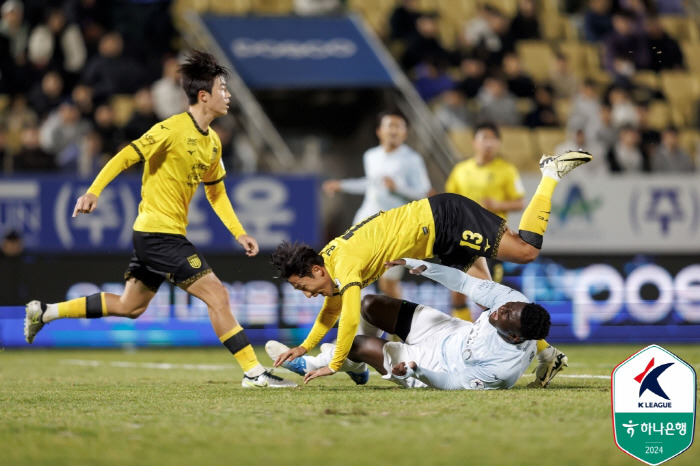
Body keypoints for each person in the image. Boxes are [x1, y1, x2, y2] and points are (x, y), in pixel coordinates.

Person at [24, 50, 295, 389]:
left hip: (159, 235)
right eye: (223, 88)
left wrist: (239, 233)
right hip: (158, 234)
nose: (228, 95)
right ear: (203, 96)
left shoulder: (212, 143)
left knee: (129, 305)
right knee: (218, 295)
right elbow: (126, 154)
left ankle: (45, 312)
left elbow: (216, 192)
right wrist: (93, 191)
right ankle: (254, 373)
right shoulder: (171, 128)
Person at [269, 148, 592, 384]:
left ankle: (550, 173)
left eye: (302, 287)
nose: (307, 294)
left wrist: (335, 363)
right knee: (487, 301)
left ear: (316, 272)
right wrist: (304, 346)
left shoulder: (345, 265)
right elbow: (332, 310)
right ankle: (549, 355)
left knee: (524, 252)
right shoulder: (330, 263)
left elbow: (349, 316)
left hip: (444, 220)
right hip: (437, 240)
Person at [266, 258, 568, 390]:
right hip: (446, 331)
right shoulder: (514, 302)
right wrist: (417, 265)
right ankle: (356, 367)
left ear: (514, 337)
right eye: (506, 308)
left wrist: (416, 370)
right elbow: (463, 281)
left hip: (432, 364)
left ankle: (313, 364)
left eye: (503, 317)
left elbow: (451, 384)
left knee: (355, 345)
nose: (497, 311)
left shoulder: (501, 371)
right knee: (370, 304)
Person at [322, 109, 431, 300]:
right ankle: (357, 323)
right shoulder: (371, 156)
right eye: (390, 125)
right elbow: (371, 183)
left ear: (405, 133)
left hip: (395, 228)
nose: (394, 131)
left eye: (399, 127)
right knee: (353, 272)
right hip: (367, 221)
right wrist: (342, 185)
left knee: (388, 284)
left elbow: (424, 192)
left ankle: (403, 326)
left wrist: (398, 187)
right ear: (379, 131)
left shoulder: (412, 159)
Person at [444, 122, 525, 321]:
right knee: (457, 292)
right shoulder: (460, 170)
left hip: (491, 239)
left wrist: (497, 203)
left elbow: (520, 202)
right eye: (484, 138)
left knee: (487, 297)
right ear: (474, 142)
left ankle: (497, 342)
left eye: (493, 139)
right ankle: (464, 340)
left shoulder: (507, 170)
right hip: (463, 238)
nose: (488, 143)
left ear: (498, 143)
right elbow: (448, 200)